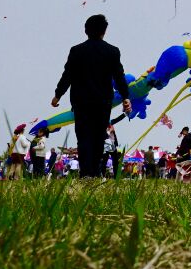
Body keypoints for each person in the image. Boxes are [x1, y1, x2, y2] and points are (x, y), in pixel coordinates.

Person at [50, 14, 131, 181]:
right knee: (98, 136)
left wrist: (58, 95)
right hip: (103, 101)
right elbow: (119, 76)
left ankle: (85, 173)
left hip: (81, 101)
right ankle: (94, 172)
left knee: (83, 136)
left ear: (86, 30)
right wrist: (125, 97)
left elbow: (67, 75)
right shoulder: (112, 51)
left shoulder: (76, 51)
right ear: (104, 31)